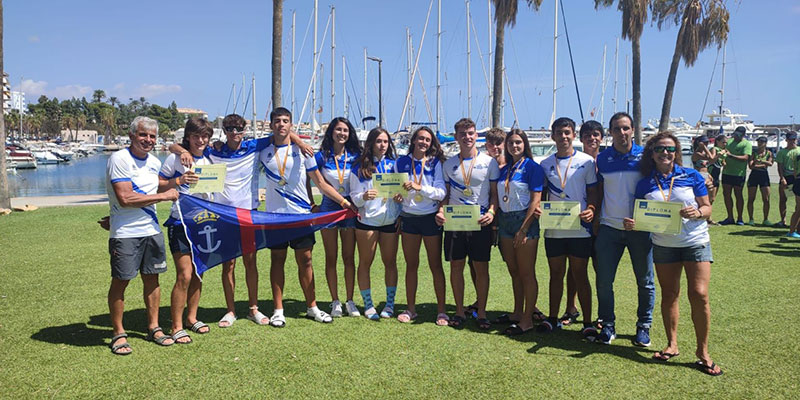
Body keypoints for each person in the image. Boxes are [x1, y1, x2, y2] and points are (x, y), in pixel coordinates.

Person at [169, 114, 311, 328]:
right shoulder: (213, 150)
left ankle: (253, 308)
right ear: (224, 131)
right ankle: (230, 310)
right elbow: (173, 145)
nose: (235, 133)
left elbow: (280, 132)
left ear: (245, 130)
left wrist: (299, 141)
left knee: (250, 263)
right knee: (229, 265)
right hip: (223, 215)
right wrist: (183, 151)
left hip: (248, 214)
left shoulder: (253, 146)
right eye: (230, 129)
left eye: (238, 129)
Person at [631, 132, 722, 376]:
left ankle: (703, 351)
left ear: (676, 153)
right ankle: (672, 344)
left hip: (695, 241)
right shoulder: (644, 183)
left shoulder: (691, 175)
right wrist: (635, 223)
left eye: (670, 149)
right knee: (670, 294)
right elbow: (644, 217)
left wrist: (697, 212)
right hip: (664, 245)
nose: (665, 153)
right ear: (652, 153)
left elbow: (707, 207)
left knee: (699, 294)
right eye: (660, 149)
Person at [259, 107, 355, 327]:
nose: (281, 124)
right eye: (277, 121)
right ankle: (278, 310)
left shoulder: (304, 153)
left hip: (301, 216)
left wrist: (344, 203)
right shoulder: (263, 152)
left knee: (306, 261)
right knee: (277, 261)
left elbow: (320, 183)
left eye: (285, 121)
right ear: (271, 124)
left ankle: (312, 307)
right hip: (276, 217)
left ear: (291, 125)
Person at [105, 116, 179, 355]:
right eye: (143, 135)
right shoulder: (120, 159)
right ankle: (118, 333)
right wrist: (164, 197)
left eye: (152, 136)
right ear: (132, 135)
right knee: (121, 281)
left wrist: (184, 181)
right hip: (126, 233)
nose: (148, 140)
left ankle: (154, 327)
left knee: (153, 279)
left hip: (152, 231)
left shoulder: (154, 163)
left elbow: (156, 187)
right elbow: (125, 198)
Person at [595, 112, 655, 346]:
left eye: (626, 128)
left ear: (633, 130)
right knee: (604, 281)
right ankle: (607, 325)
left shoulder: (646, 157)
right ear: (610, 132)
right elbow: (599, 191)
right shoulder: (602, 159)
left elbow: (659, 186)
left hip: (640, 229)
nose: (622, 133)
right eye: (617, 129)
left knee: (645, 281)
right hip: (609, 228)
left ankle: (644, 326)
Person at [538, 118, 599, 338]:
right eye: (559, 133)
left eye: (567, 132)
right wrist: (538, 210)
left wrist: (591, 208)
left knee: (580, 274)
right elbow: (542, 196)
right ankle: (552, 318)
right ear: (552, 136)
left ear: (573, 135)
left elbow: (593, 192)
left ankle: (588, 322)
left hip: (580, 228)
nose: (563, 137)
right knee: (555, 274)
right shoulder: (545, 164)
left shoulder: (586, 162)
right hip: (554, 229)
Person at [436, 118, 499, 330]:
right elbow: (444, 196)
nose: (467, 137)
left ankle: (481, 312)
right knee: (456, 266)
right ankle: (460, 311)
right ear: (456, 137)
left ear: (476, 135)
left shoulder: (489, 162)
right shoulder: (449, 164)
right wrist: (441, 210)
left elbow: (494, 195)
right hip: (455, 223)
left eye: (471, 133)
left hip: (480, 222)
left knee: (481, 268)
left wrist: (492, 212)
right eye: (463, 133)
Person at [159, 117, 216, 343]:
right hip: (179, 222)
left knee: (199, 272)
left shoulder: (211, 159)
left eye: (204, 136)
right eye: (196, 136)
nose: (200, 140)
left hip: (204, 223)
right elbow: (158, 184)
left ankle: (192, 318)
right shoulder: (175, 159)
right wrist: (179, 179)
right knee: (184, 275)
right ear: (188, 137)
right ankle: (176, 326)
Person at [394, 126, 449, 325]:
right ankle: (410, 309)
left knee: (435, 265)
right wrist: (396, 196)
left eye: (427, 140)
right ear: (413, 141)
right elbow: (394, 189)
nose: (423, 142)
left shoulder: (435, 163)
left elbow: (441, 193)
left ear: (431, 143)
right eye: (420, 139)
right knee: (411, 265)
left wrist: (420, 187)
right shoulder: (401, 161)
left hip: (430, 218)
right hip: (409, 218)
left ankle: (441, 311)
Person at [493, 129, 545, 335]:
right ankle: (517, 311)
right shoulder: (505, 168)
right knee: (513, 270)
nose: (514, 146)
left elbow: (535, 200)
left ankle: (527, 318)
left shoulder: (533, 168)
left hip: (525, 221)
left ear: (525, 144)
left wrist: (524, 228)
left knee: (526, 272)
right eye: (511, 143)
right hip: (505, 221)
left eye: (518, 143)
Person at [349, 128, 402, 321]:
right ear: (370, 143)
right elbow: (354, 197)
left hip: (389, 222)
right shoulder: (359, 167)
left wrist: (400, 198)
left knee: (390, 263)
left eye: (386, 142)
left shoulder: (395, 165)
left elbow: (403, 193)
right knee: (365, 263)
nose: (382, 145)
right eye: (378, 141)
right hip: (367, 222)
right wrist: (363, 197)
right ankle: (368, 304)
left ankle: (389, 304)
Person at [314, 117, 362, 317]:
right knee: (331, 257)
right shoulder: (321, 156)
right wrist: (311, 203)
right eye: (338, 130)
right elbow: (310, 177)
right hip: (329, 207)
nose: (342, 133)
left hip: (351, 207)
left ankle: (350, 300)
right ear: (331, 132)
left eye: (345, 130)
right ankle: (335, 301)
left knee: (349, 257)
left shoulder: (356, 156)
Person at [562, 120, 604, 327]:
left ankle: (602, 314)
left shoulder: (605, 161)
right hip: (576, 222)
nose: (592, 138)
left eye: (596, 134)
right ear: (581, 138)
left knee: (600, 269)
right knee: (574, 268)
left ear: (602, 138)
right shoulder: (577, 161)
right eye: (587, 134)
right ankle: (571, 307)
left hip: (602, 223)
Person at [467, 128, 506, 318]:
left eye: (499, 143)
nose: (495, 147)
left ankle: (528, 306)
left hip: (505, 220)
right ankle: (479, 300)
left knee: (513, 263)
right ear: (486, 145)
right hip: (482, 220)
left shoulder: (510, 165)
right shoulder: (483, 164)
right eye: (491, 143)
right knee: (474, 262)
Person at [719, 126, 752, 225]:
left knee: (738, 195)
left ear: (743, 135)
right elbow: (724, 152)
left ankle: (740, 218)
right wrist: (723, 160)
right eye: (735, 134)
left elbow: (745, 157)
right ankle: (730, 217)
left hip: (739, 174)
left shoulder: (746, 144)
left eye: (738, 135)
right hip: (727, 173)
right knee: (727, 194)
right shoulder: (729, 142)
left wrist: (731, 155)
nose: (735, 136)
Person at [746, 136, 773, 226]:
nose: (759, 144)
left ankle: (765, 219)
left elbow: (770, 163)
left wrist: (760, 161)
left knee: (766, 199)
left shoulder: (769, 153)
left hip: (764, 176)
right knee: (751, 198)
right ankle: (751, 219)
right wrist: (762, 164)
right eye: (758, 142)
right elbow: (751, 166)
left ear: (765, 143)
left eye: (761, 142)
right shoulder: (753, 153)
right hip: (754, 175)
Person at [774, 131, 796, 228]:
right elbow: (780, 166)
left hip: (797, 178)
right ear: (786, 140)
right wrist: (782, 178)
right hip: (786, 178)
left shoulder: (799, 151)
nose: (792, 141)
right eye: (790, 139)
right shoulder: (782, 152)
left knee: (798, 200)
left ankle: (796, 222)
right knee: (783, 199)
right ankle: (783, 220)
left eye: (794, 139)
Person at [707, 134, 728, 214]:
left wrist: (723, 162)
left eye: (726, 143)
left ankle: (708, 217)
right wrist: (719, 155)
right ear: (717, 142)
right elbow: (711, 160)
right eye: (723, 142)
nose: (725, 144)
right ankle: (706, 217)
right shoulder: (714, 149)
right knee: (709, 198)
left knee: (713, 198)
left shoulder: (723, 150)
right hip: (711, 175)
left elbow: (721, 162)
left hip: (717, 175)